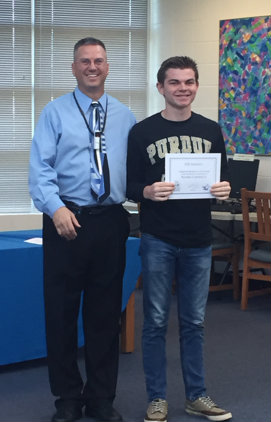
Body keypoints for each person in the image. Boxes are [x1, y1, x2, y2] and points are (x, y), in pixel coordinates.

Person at [29, 37, 136, 422]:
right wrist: (55, 208)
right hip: (65, 222)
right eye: (85, 61)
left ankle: (102, 397)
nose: (92, 66)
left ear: (108, 67)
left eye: (99, 61)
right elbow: (39, 170)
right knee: (60, 314)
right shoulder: (54, 113)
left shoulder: (125, 117)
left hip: (110, 223)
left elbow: (136, 173)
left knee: (105, 315)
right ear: (73, 68)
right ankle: (68, 398)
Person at [126, 56, 232, 422]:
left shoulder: (212, 130)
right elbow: (129, 186)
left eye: (189, 82)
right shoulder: (142, 132)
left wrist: (223, 189)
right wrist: (147, 191)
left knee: (194, 322)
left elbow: (223, 180)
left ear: (196, 86)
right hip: (158, 238)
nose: (182, 88)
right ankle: (157, 398)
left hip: (199, 240)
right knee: (155, 321)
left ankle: (196, 395)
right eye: (174, 82)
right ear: (161, 88)